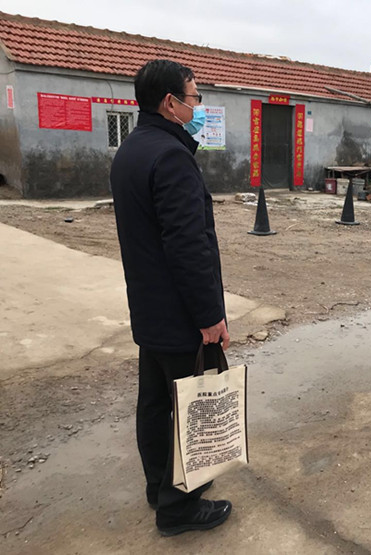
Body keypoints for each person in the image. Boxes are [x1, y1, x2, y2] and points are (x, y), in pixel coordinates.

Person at [110, 59, 232, 536]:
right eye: (194, 97)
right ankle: (179, 507)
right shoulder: (172, 157)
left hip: (148, 305)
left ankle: (158, 485)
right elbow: (187, 245)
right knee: (190, 406)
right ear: (170, 103)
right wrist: (209, 315)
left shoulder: (132, 149)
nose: (197, 106)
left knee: (156, 403)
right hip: (180, 312)